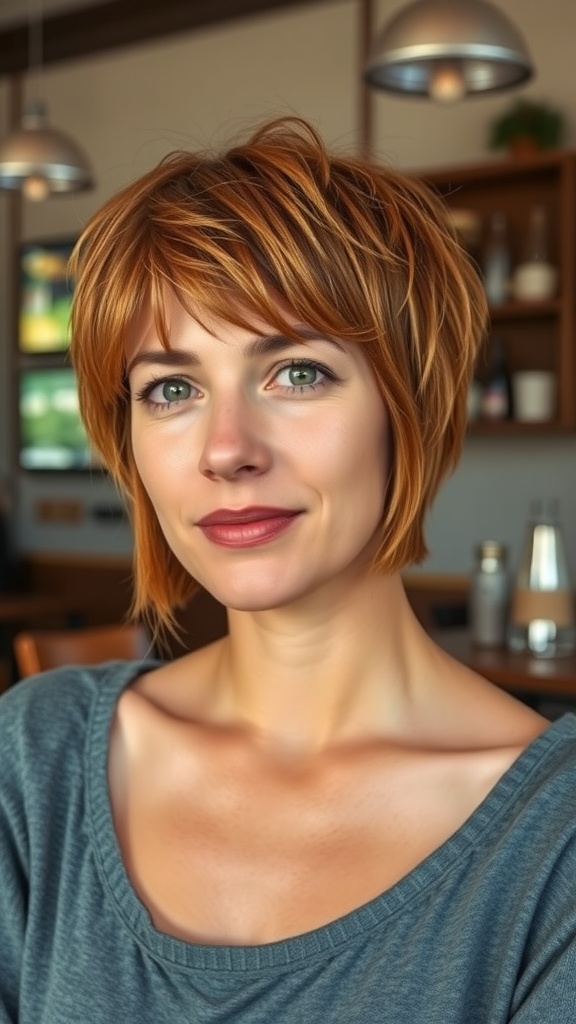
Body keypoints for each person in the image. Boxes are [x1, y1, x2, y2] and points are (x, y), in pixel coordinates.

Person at [2, 116, 576, 1024]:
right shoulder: (36, 761)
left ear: (407, 406)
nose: (227, 450)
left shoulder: (554, 846)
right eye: (171, 389)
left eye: (297, 373)